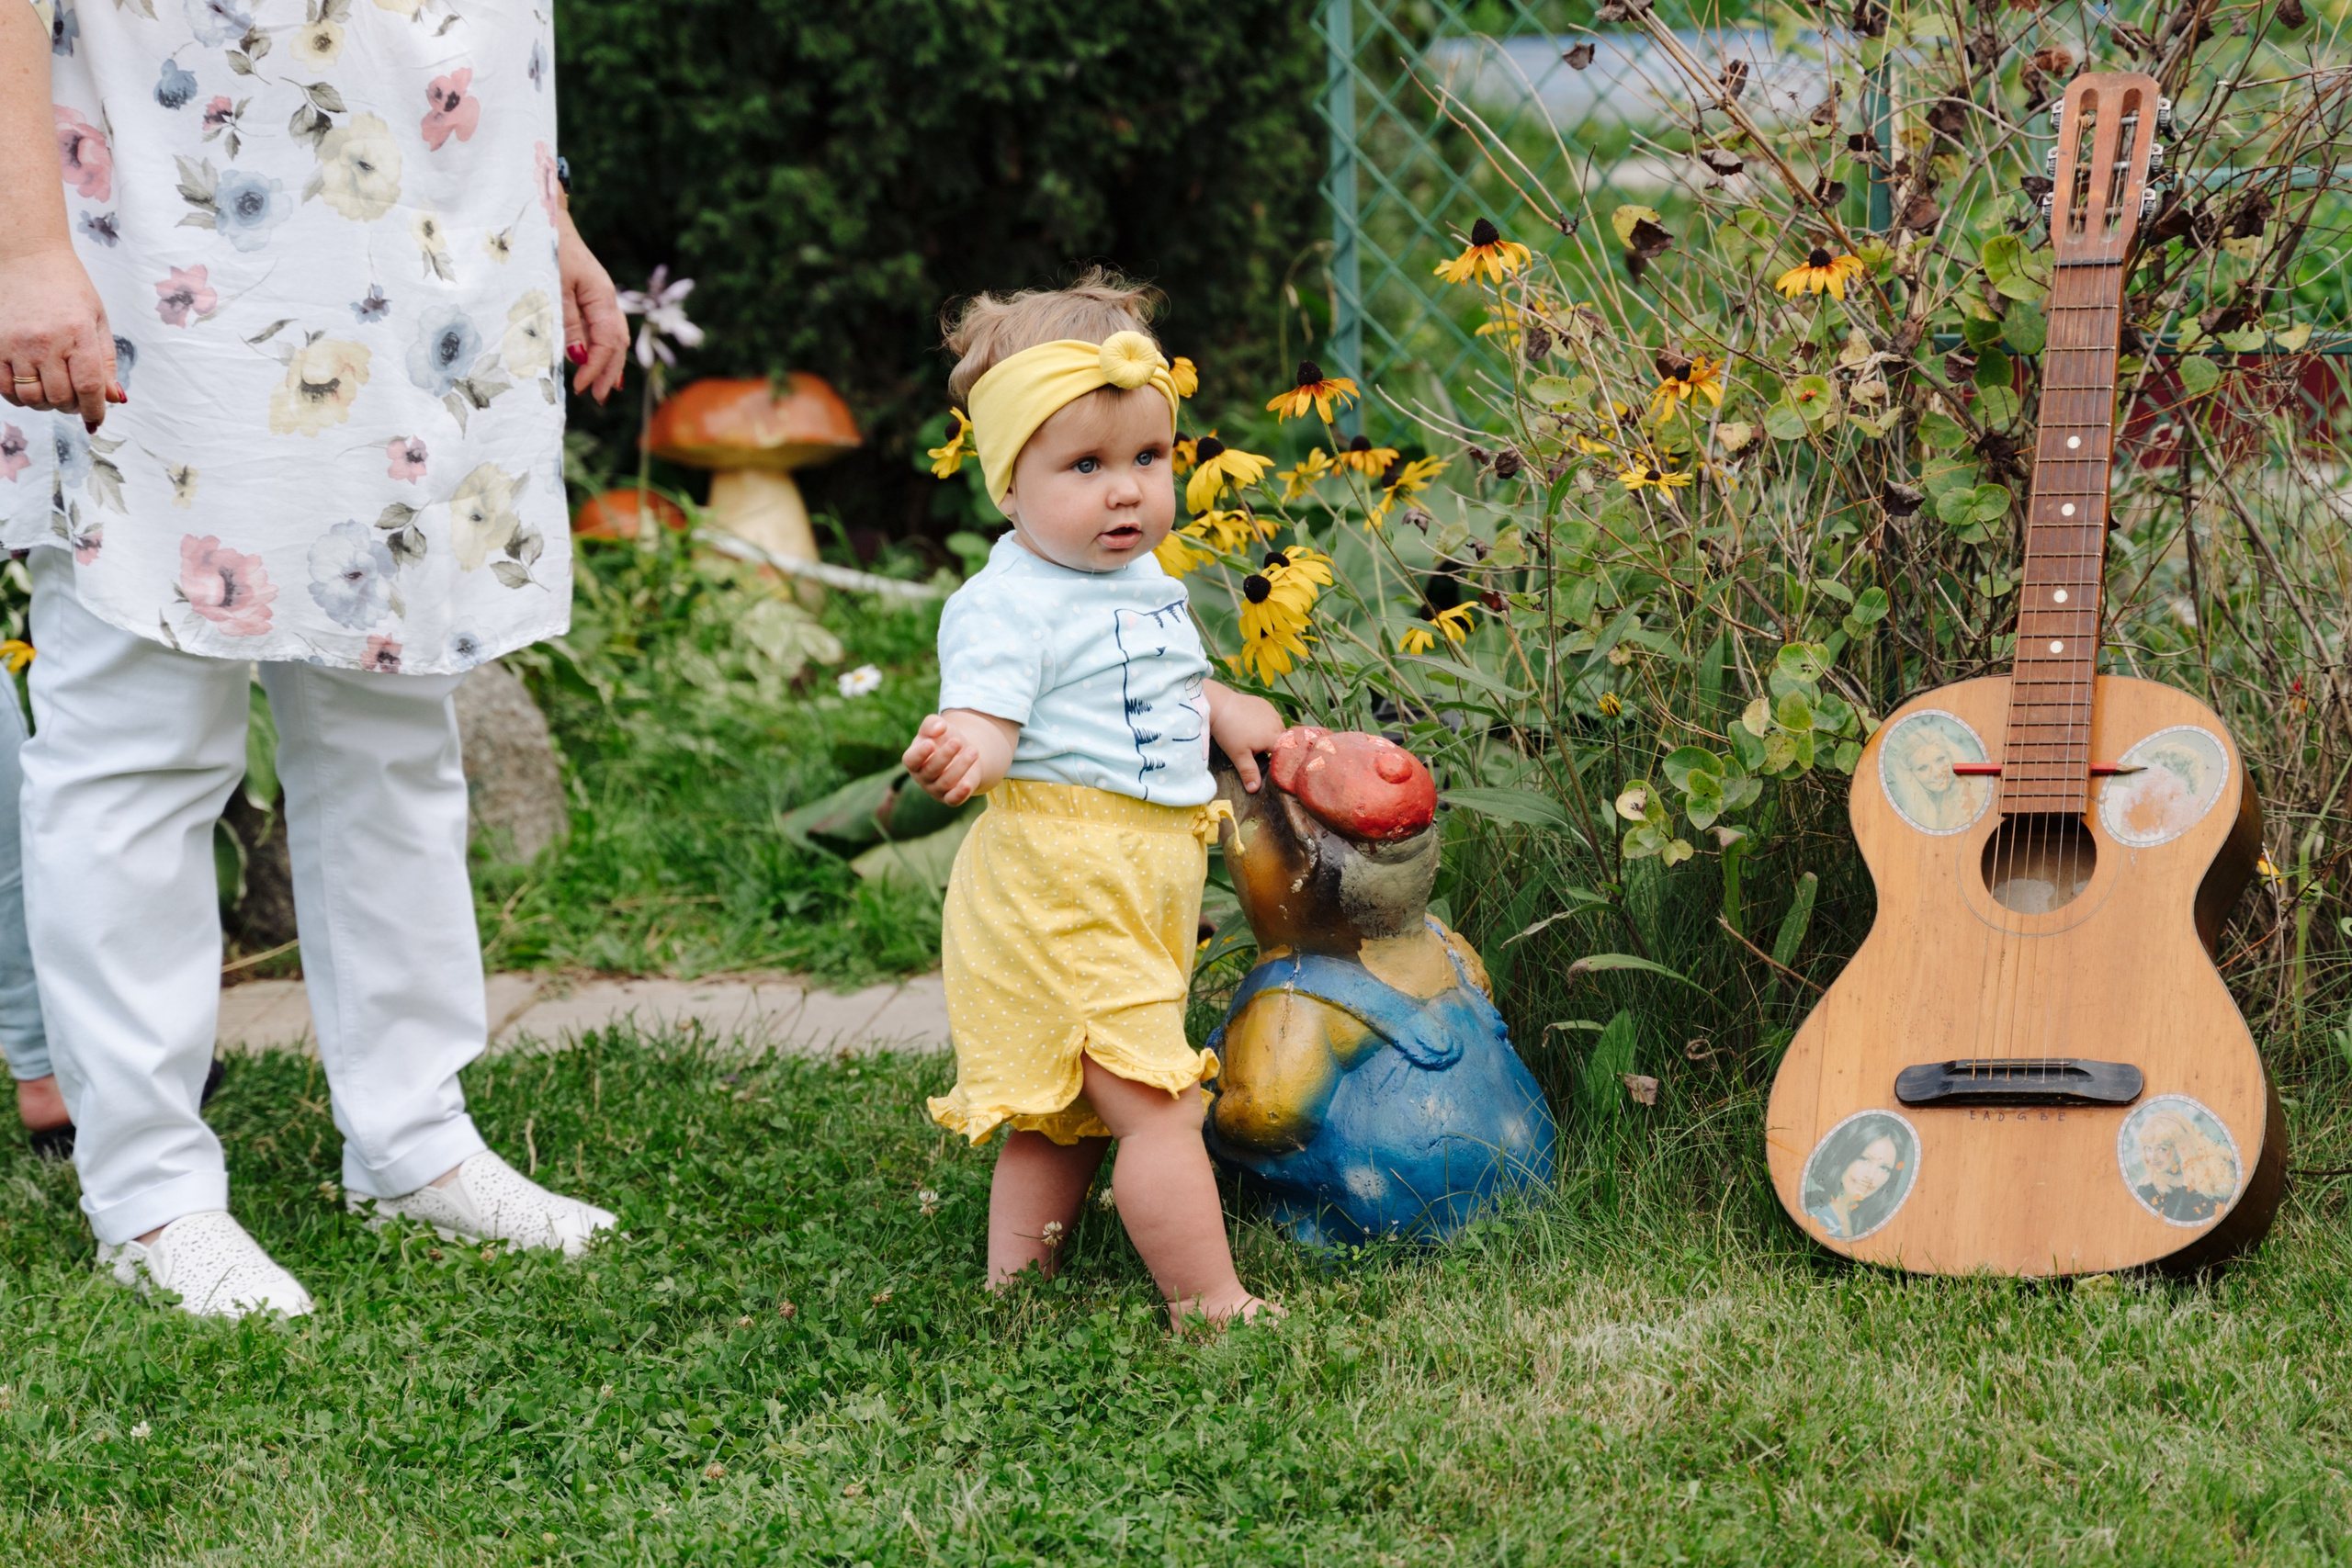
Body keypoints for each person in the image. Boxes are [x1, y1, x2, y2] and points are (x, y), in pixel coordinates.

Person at [2, 0, 628, 1317]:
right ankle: (152, 1188)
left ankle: (414, 1139)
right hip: (168, 220)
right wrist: (21, 243)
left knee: (394, 711)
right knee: (136, 728)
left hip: (425, 233)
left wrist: (543, 215)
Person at [902, 274, 1285, 1329]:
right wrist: (968, 746)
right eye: (1085, 465)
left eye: (1147, 460)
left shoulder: (1135, 579)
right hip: (1061, 883)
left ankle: (1015, 1292)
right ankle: (1209, 1303)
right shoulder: (1005, 605)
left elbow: (1142, 679)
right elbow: (988, 710)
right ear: (1007, 485)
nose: (1126, 492)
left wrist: (1220, 704)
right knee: (1158, 1108)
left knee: (1062, 1113)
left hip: (1129, 881)